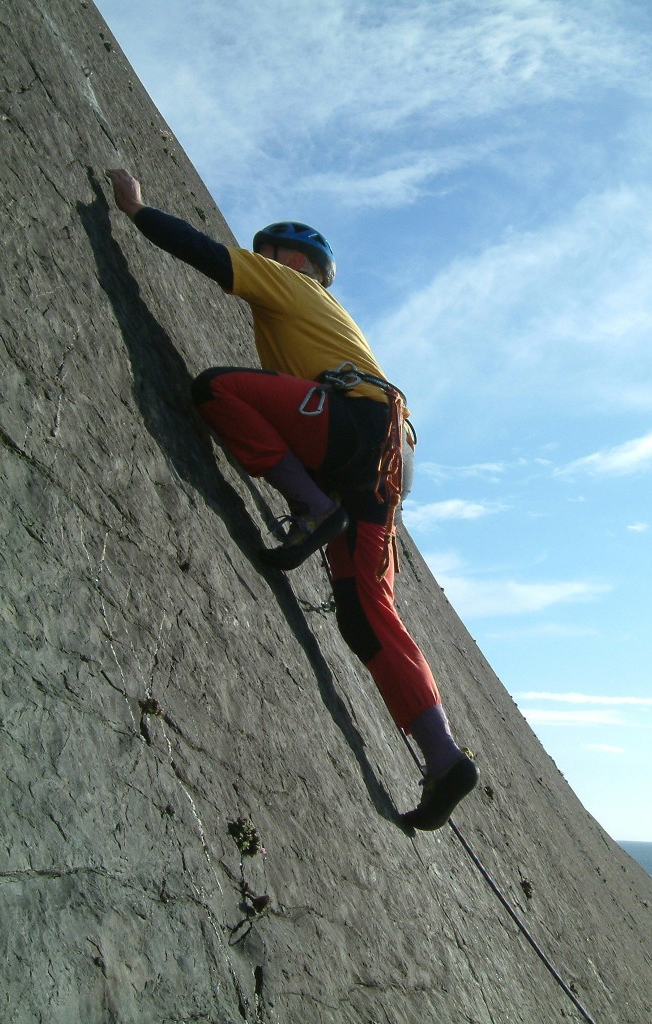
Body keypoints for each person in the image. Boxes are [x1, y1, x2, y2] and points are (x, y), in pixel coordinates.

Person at [105, 168, 479, 830]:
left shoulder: (293, 286)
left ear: (297, 261)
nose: (262, 263)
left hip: (353, 426)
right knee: (364, 614)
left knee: (218, 389)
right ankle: (445, 756)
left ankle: (310, 507)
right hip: (383, 460)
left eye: (271, 253)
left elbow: (208, 255)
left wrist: (137, 209)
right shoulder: (324, 322)